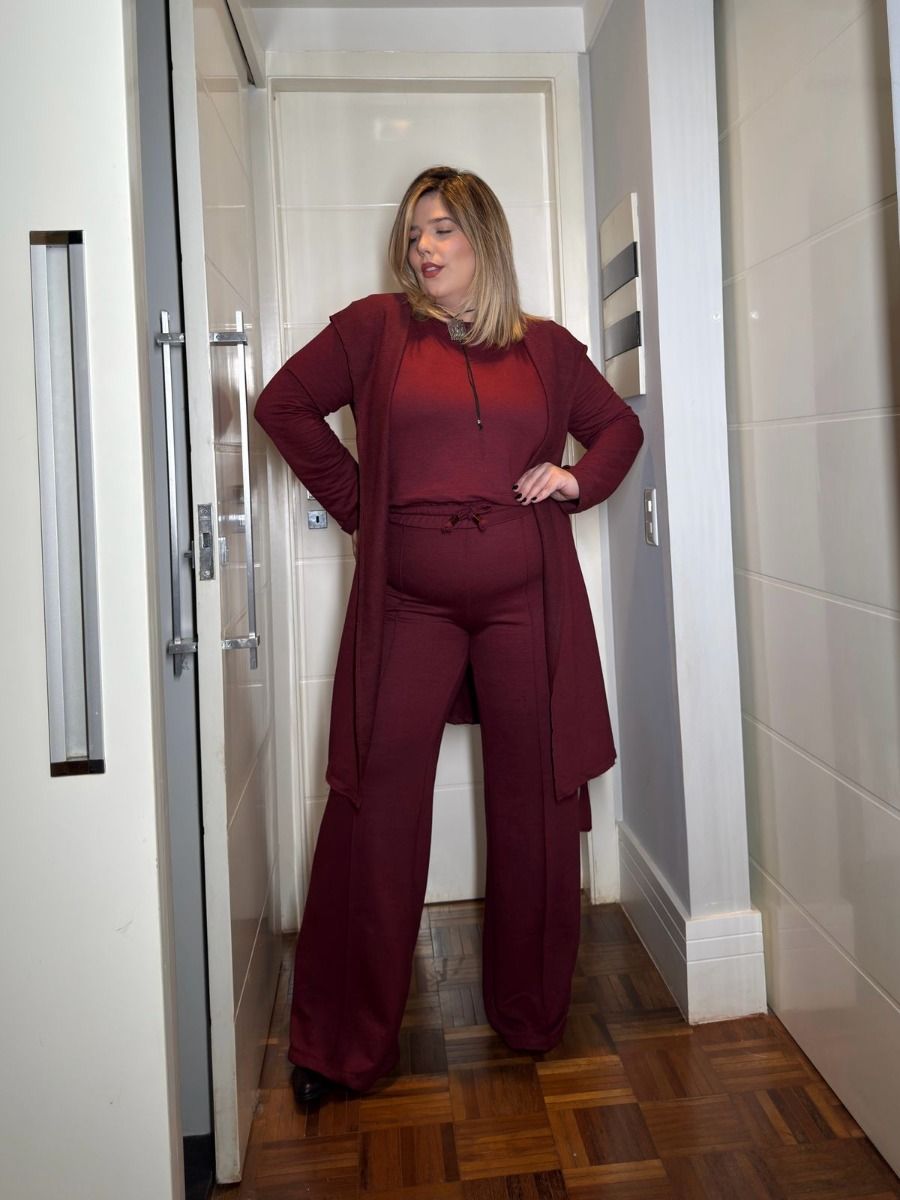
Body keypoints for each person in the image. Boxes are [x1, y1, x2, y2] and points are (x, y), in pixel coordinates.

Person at [254, 165, 643, 1105]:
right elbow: (282, 407)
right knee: (374, 801)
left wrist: (574, 481)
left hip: (527, 603)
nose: (423, 247)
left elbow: (618, 432)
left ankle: (531, 1016)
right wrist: (363, 505)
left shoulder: (546, 348)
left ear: (484, 240)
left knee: (535, 801)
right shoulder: (374, 329)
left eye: (442, 230)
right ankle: (341, 1046)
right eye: (414, 232)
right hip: (408, 606)